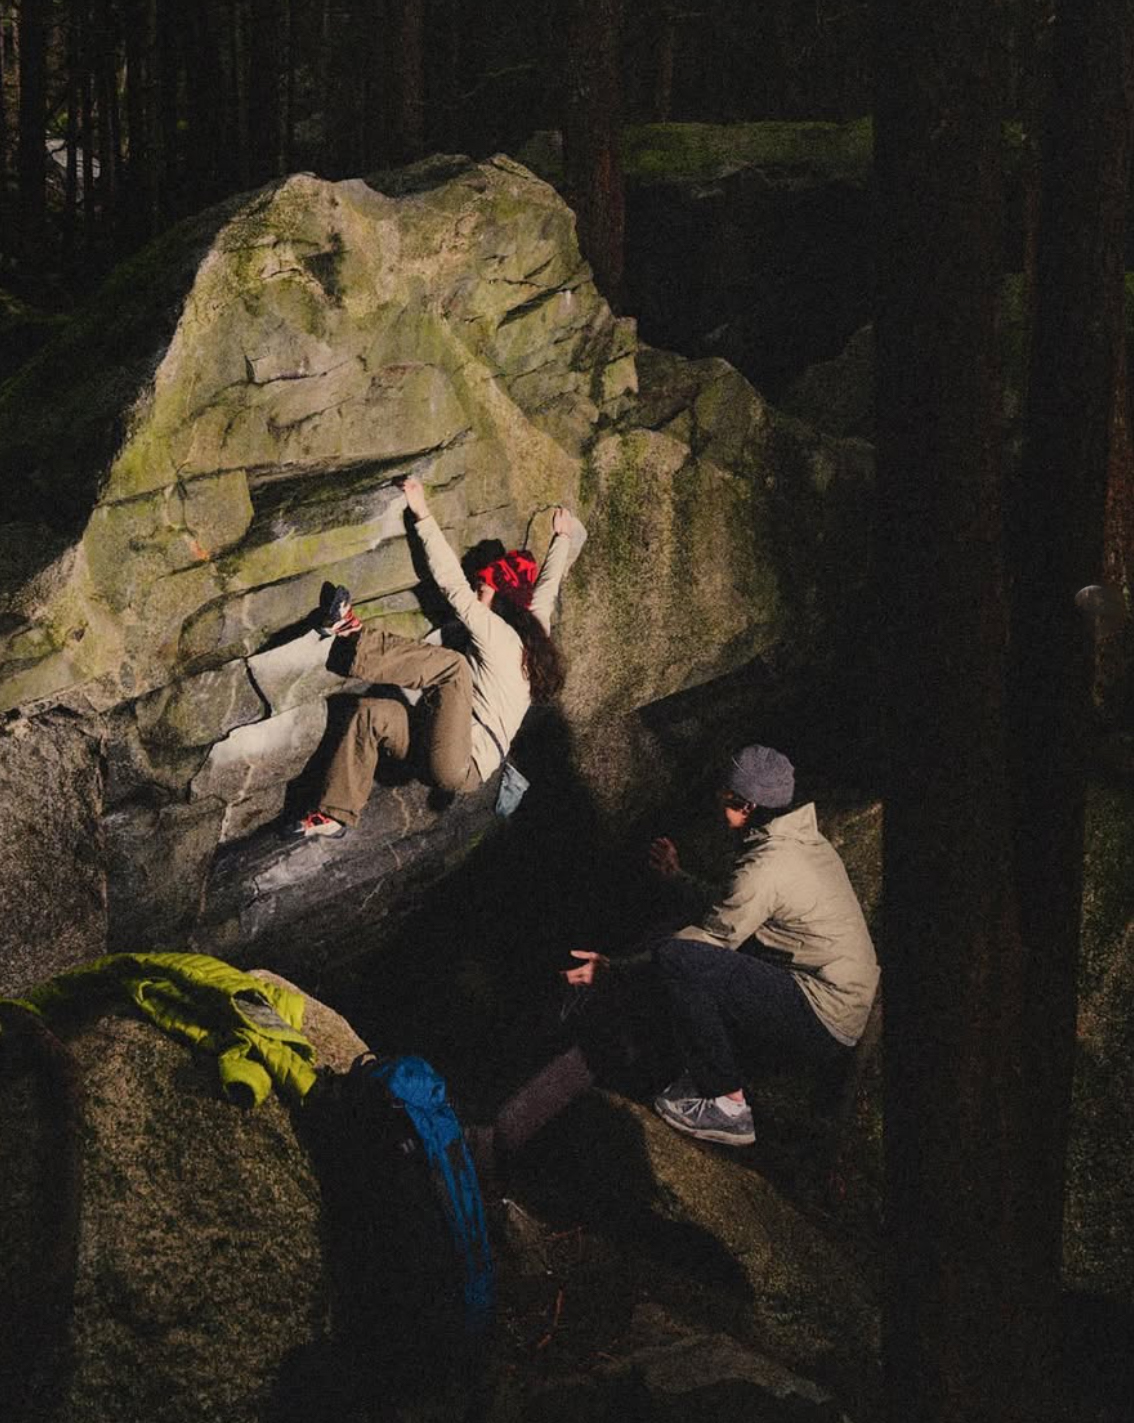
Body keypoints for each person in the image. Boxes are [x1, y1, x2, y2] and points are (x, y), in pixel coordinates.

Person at [563, 744, 879, 1147]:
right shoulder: (800, 842)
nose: (717, 799)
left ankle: (728, 1105)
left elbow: (703, 944)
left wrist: (614, 970)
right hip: (834, 999)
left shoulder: (768, 866)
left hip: (821, 1013)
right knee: (679, 951)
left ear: (747, 806)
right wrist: (678, 878)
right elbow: (734, 909)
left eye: (726, 794)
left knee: (676, 956)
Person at [292, 476, 581, 838]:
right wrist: (561, 538)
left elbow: (451, 585)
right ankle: (334, 814)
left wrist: (422, 513)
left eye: (483, 590)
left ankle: (351, 634)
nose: (478, 594)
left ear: (502, 601)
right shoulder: (534, 634)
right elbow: (546, 591)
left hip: (461, 762)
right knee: (371, 713)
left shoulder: (501, 637)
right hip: (437, 746)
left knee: (454, 668)